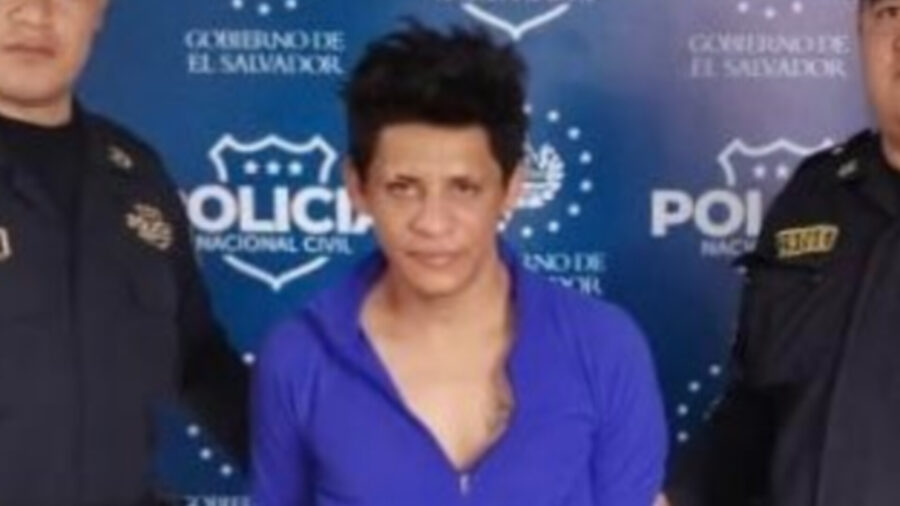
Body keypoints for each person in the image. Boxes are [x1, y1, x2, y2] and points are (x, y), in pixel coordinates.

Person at [251, 22, 667, 506]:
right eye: (402, 188)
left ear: (512, 188)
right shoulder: (299, 357)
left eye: (464, 188)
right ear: (357, 187)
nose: (433, 223)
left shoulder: (605, 346)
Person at [0, 0, 248, 504]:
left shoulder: (137, 172)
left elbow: (197, 355)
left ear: (99, 12)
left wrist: (325, 467)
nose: (35, 14)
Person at [665, 1, 900, 505]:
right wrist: (682, 497)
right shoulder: (813, 197)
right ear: (861, 37)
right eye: (889, 13)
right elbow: (756, 411)